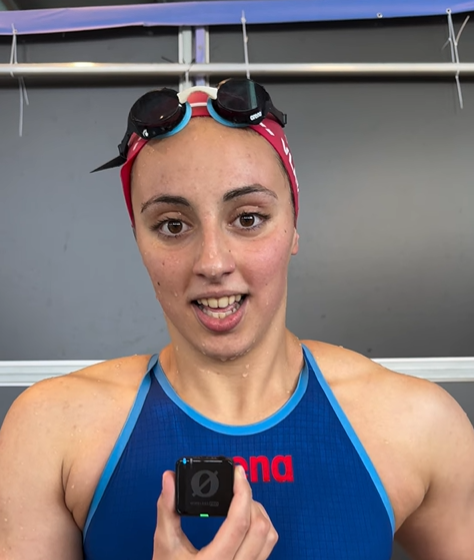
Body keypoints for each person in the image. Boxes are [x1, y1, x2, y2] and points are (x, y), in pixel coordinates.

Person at [0, 79, 473, 560]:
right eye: (172, 225)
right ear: (138, 239)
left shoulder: (417, 426)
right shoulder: (51, 433)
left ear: (293, 225)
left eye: (248, 218)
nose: (212, 262)